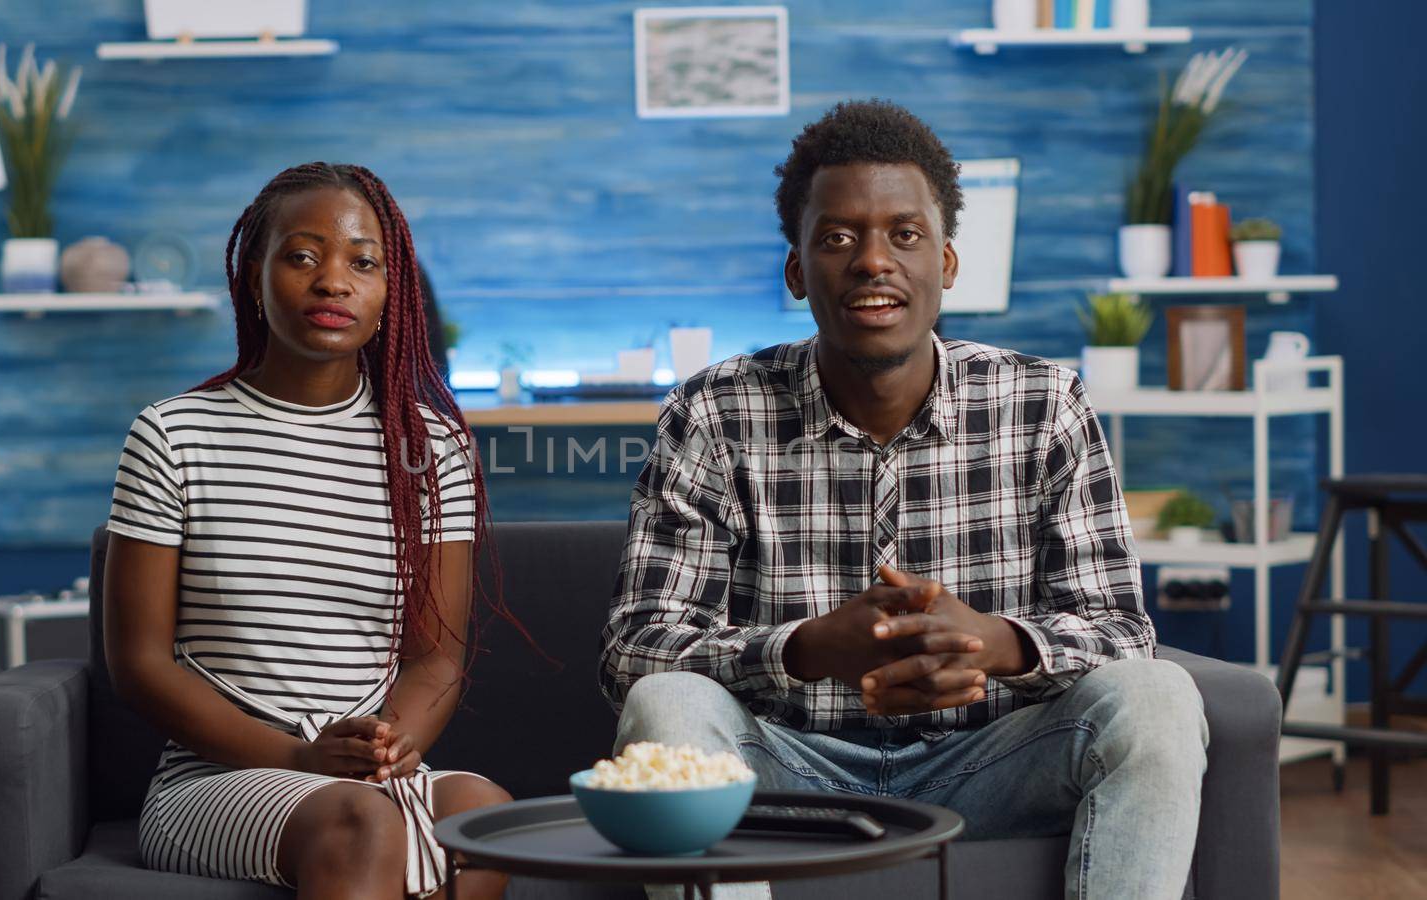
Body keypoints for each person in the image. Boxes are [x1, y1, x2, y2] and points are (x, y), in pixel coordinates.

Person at [600, 101, 1207, 900]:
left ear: (947, 262)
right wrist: (809, 649)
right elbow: (635, 651)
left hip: (991, 763)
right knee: (666, 702)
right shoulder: (714, 413)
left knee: (1158, 696)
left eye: (904, 234)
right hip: (788, 768)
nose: (872, 261)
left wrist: (995, 644)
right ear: (796, 271)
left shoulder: (1043, 402)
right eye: (838, 237)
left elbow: (1123, 633)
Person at [104, 162, 514, 900]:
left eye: (363, 262)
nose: (333, 281)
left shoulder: (432, 449)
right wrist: (299, 759)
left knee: (483, 816)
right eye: (302, 256)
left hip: (362, 773)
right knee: (357, 822)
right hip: (218, 778)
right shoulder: (173, 433)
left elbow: (436, 661)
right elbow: (140, 663)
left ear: (393, 296)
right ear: (254, 276)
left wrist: (389, 744)